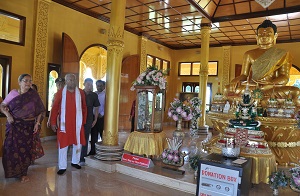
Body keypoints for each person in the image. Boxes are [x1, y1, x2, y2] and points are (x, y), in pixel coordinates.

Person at [225, 20, 300, 105]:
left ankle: (249, 101)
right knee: (226, 89)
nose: (264, 37)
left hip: (271, 87)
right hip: (253, 86)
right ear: (256, 37)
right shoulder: (249, 54)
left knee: (295, 91)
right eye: (261, 35)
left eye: (268, 34)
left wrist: (270, 84)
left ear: (275, 36)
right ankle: (265, 101)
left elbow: (284, 77)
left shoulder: (283, 54)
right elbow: (244, 75)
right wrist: (236, 79)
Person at [0, 74, 45, 183]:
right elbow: (2, 105)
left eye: (30, 81)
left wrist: (37, 123)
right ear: (19, 82)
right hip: (14, 126)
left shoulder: (33, 95)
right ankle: (14, 171)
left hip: (28, 127)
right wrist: (8, 115)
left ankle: (23, 173)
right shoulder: (13, 93)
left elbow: (41, 110)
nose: (28, 83)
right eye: (25, 81)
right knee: (10, 149)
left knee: (25, 150)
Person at [50, 73, 87, 175]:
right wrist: (53, 122)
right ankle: (62, 166)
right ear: (66, 81)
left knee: (77, 143)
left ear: (76, 81)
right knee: (63, 144)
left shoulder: (80, 92)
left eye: (73, 80)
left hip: (77, 124)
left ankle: (75, 162)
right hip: (64, 124)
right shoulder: (60, 93)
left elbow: (84, 107)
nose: (71, 82)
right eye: (69, 80)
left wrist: (83, 121)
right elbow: (55, 108)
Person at [80, 78, 100, 165]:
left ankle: (82, 158)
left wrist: (95, 119)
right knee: (76, 138)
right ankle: (75, 156)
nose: (89, 86)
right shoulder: (79, 93)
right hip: (78, 118)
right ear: (84, 84)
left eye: (91, 85)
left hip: (88, 119)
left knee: (85, 137)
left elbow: (96, 108)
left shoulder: (94, 95)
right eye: (88, 84)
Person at [89, 80, 106, 155]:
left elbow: (107, 106)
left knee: (102, 134)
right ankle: (93, 151)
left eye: (101, 85)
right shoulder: (94, 94)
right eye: (98, 85)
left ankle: (103, 151)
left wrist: (102, 114)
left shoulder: (106, 95)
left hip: (101, 117)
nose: (99, 87)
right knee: (93, 134)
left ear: (104, 86)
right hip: (93, 117)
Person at [30, 84, 45, 163]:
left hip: (36, 123)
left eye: (33, 90)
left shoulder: (39, 100)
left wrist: (38, 122)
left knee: (34, 140)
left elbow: (41, 112)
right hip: (26, 123)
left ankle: (33, 157)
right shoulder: (25, 99)